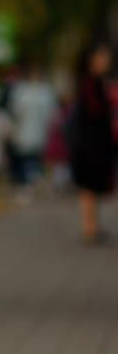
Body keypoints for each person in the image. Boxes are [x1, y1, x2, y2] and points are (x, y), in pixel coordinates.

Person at [67, 38, 116, 244]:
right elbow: (95, 112)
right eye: (102, 56)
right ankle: (89, 228)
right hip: (90, 144)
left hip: (94, 142)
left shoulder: (94, 82)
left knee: (92, 187)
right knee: (89, 187)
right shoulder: (90, 83)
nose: (106, 60)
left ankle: (92, 227)